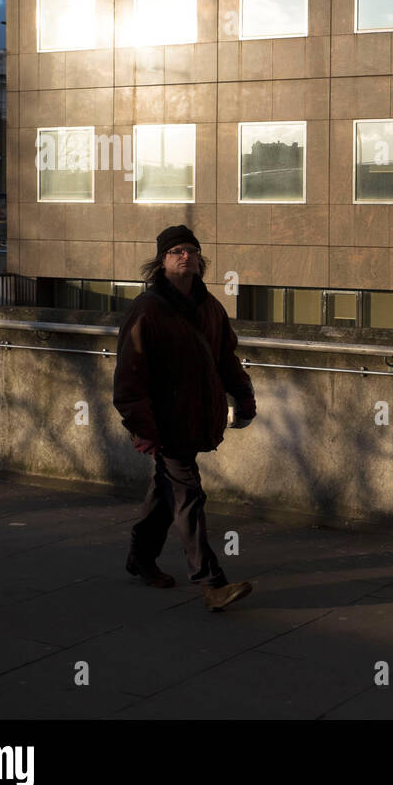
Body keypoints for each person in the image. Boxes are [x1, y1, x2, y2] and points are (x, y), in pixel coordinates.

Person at [113, 225, 257, 611]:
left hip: (196, 416)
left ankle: (140, 559)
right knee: (188, 494)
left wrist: (243, 395)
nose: (185, 256)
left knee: (167, 491)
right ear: (161, 260)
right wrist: (142, 427)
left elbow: (226, 358)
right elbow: (129, 375)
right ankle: (211, 584)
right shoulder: (147, 309)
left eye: (191, 251)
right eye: (176, 250)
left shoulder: (210, 307)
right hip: (164, 421)